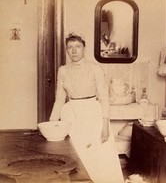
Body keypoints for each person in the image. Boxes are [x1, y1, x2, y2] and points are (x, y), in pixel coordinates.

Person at [49, 33, 124, 183]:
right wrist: (52, 124)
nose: (74, 50)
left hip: (93, 114)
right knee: (77, 154)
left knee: (98, 156)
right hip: (71, 116)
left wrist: (105, 126)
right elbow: (59, 99)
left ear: (84, 48)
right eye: (70, 47)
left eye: (78, 46)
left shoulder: (95, 69)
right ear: (67, 50)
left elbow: (104, 97)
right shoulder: (63, 70)